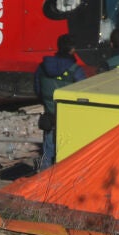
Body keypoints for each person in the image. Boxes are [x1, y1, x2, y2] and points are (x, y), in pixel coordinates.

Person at [33, 35, 85, 170]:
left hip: (50, 116)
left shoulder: (42, 67)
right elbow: (83, 95)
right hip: (70, 119)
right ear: (72, 50)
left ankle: (44, 183)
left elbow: (37, 89)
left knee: (48, 151)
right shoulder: (76, 70)